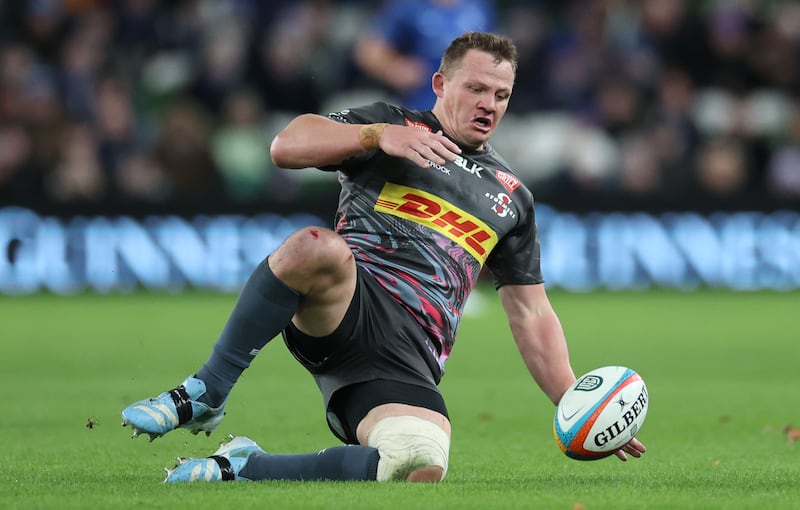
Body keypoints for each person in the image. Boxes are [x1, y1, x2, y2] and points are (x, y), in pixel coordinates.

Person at [121, 31, 647, 484]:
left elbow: (531, 313)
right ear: (441, 84)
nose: (490, 103)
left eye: (502, 95)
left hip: (409, 355)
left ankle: (241, 467)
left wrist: (573, 403)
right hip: (349, 303)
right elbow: (286, 147)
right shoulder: (390, 126)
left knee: (419, 463)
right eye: (477, 88)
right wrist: (376, 136)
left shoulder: (511, 196)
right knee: (313, 245)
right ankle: (208, 390)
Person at [353, 0, 495, 111]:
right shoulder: (408, 6)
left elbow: (495, 48)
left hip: (470, 107)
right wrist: (394, 68)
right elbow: (369, 51)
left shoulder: (479, 6)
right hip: (419, 105)